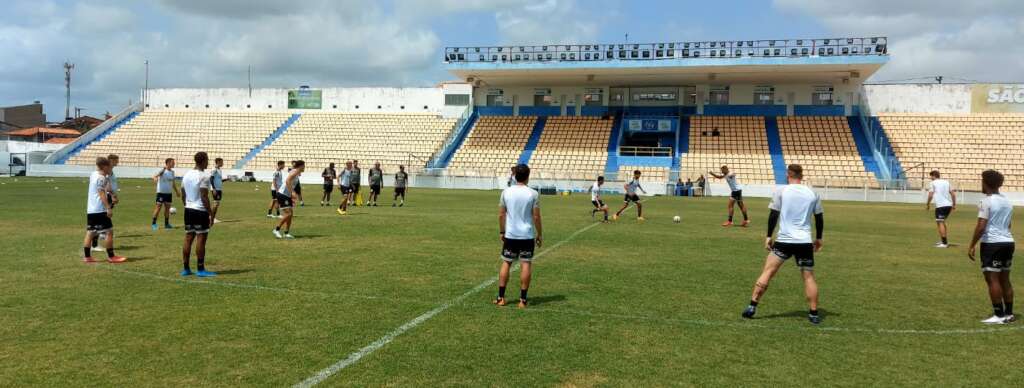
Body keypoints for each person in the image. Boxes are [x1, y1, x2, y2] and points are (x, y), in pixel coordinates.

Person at [741, 165, 824, 325]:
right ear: (802, 175)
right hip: (804, 242)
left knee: (768, 271)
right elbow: (819, 217)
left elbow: (774, 214)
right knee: (808, 277)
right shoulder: (812, 193)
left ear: (788, 175)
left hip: (784, 240)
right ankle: (813, 313)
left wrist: (768, 236)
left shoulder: (781, 191)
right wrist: (819, 238)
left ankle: (752, 306)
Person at [967, 170, 1015, 324]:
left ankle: (999, 315)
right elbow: (1009, 224)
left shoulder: (986, 201)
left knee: (992, 279)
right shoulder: (1007, 201)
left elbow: (981, 226)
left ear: (986, 183)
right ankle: (1009, 314)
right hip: (1008, 241)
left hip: (992, 244)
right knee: (1005, 278)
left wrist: (972, 244)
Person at [495, 164, 543, 309]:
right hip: (526, 235)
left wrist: (502, 231)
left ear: (515, 176)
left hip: (510, 235)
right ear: (528, 176)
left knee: (506, 263)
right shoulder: (533, 194)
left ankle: (501, 298)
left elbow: (501, 214)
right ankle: (522, 300)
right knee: (526, 264)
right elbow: (536, 216)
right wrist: (539, 234)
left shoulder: (506, 192)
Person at [83, 156, 126, 264]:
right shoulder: (101, 178)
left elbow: (105, 186)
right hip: (100, 209)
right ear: (103, 166)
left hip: (91, 209)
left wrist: (112, 194)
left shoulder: (94, 174)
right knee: (109, 232)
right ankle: (111, 256)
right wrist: (108, 208)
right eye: (108, 166)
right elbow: (101, 193)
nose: (110, 168)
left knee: (90, 232)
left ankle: (87, 257)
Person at [180, 152, 216, 277]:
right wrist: (211, 214)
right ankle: (200, 269)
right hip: (200, 211)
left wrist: (187, 204)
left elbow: (183, 193)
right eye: (207, 160)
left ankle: (186, 268)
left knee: (188, 238)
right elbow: (204, 196)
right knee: (201, 238)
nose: (208, 163)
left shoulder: (187, 175)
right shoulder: (203, 176)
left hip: (188, 209)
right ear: (203, 161)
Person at [92, 154, 119, 251]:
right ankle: (95, 243)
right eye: (116, 160)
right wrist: (112, 195)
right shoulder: (106, 171)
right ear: (111, 160)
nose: (118, 162)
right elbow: (106, 184)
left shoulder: (110, 170)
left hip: (109, 195)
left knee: (104, 219)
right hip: (106, 196)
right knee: (102, 219)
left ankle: (101, 236)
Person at [926, 170, 957, 248]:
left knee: (940, 223)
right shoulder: (946, 182)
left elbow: (930, 195)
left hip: (941, 206)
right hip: (948, 205)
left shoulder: (933, 183)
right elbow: (953, 194)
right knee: (942, 222)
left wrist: (928, 204)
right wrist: (954, 204)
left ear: (933, 176)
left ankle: (944, 243)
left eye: (931, 176)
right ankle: (943, 241)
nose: (930, 178)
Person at [274, 160, 305, 239]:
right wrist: (292, 193)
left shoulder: (297, 173)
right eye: (303, 166)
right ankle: (276, 229)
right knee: (288, 214)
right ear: (300, 166)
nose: (304, 167)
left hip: (287, 195)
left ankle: (286, 233)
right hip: (283, 194)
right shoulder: (294, 172)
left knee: (290, 215)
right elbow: (288, 181)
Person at [151, 158, 177, 230]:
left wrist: (177, 191)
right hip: (161, 193)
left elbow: (173, 183)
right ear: (168, 163)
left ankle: (166, 224)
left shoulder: (172, 172)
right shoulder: (162, 170)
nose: (174, 164)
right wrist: (155, 178)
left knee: (167, 208)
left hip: (169, 193)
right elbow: (155, 176)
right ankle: (154, 224)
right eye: (173, 162)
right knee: (158, 207)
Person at [210, 157, 224, 224]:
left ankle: (213, 217)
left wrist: (225, 180)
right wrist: (214, 188)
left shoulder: (219, 170)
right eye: (222, 162)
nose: (222, 163)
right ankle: (211, 217)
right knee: (215, 204)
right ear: (218, 162)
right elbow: (211, 179)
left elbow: (219, 180)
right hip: (216, 189)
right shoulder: (214, 169)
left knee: (217, 204)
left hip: (219, 189)